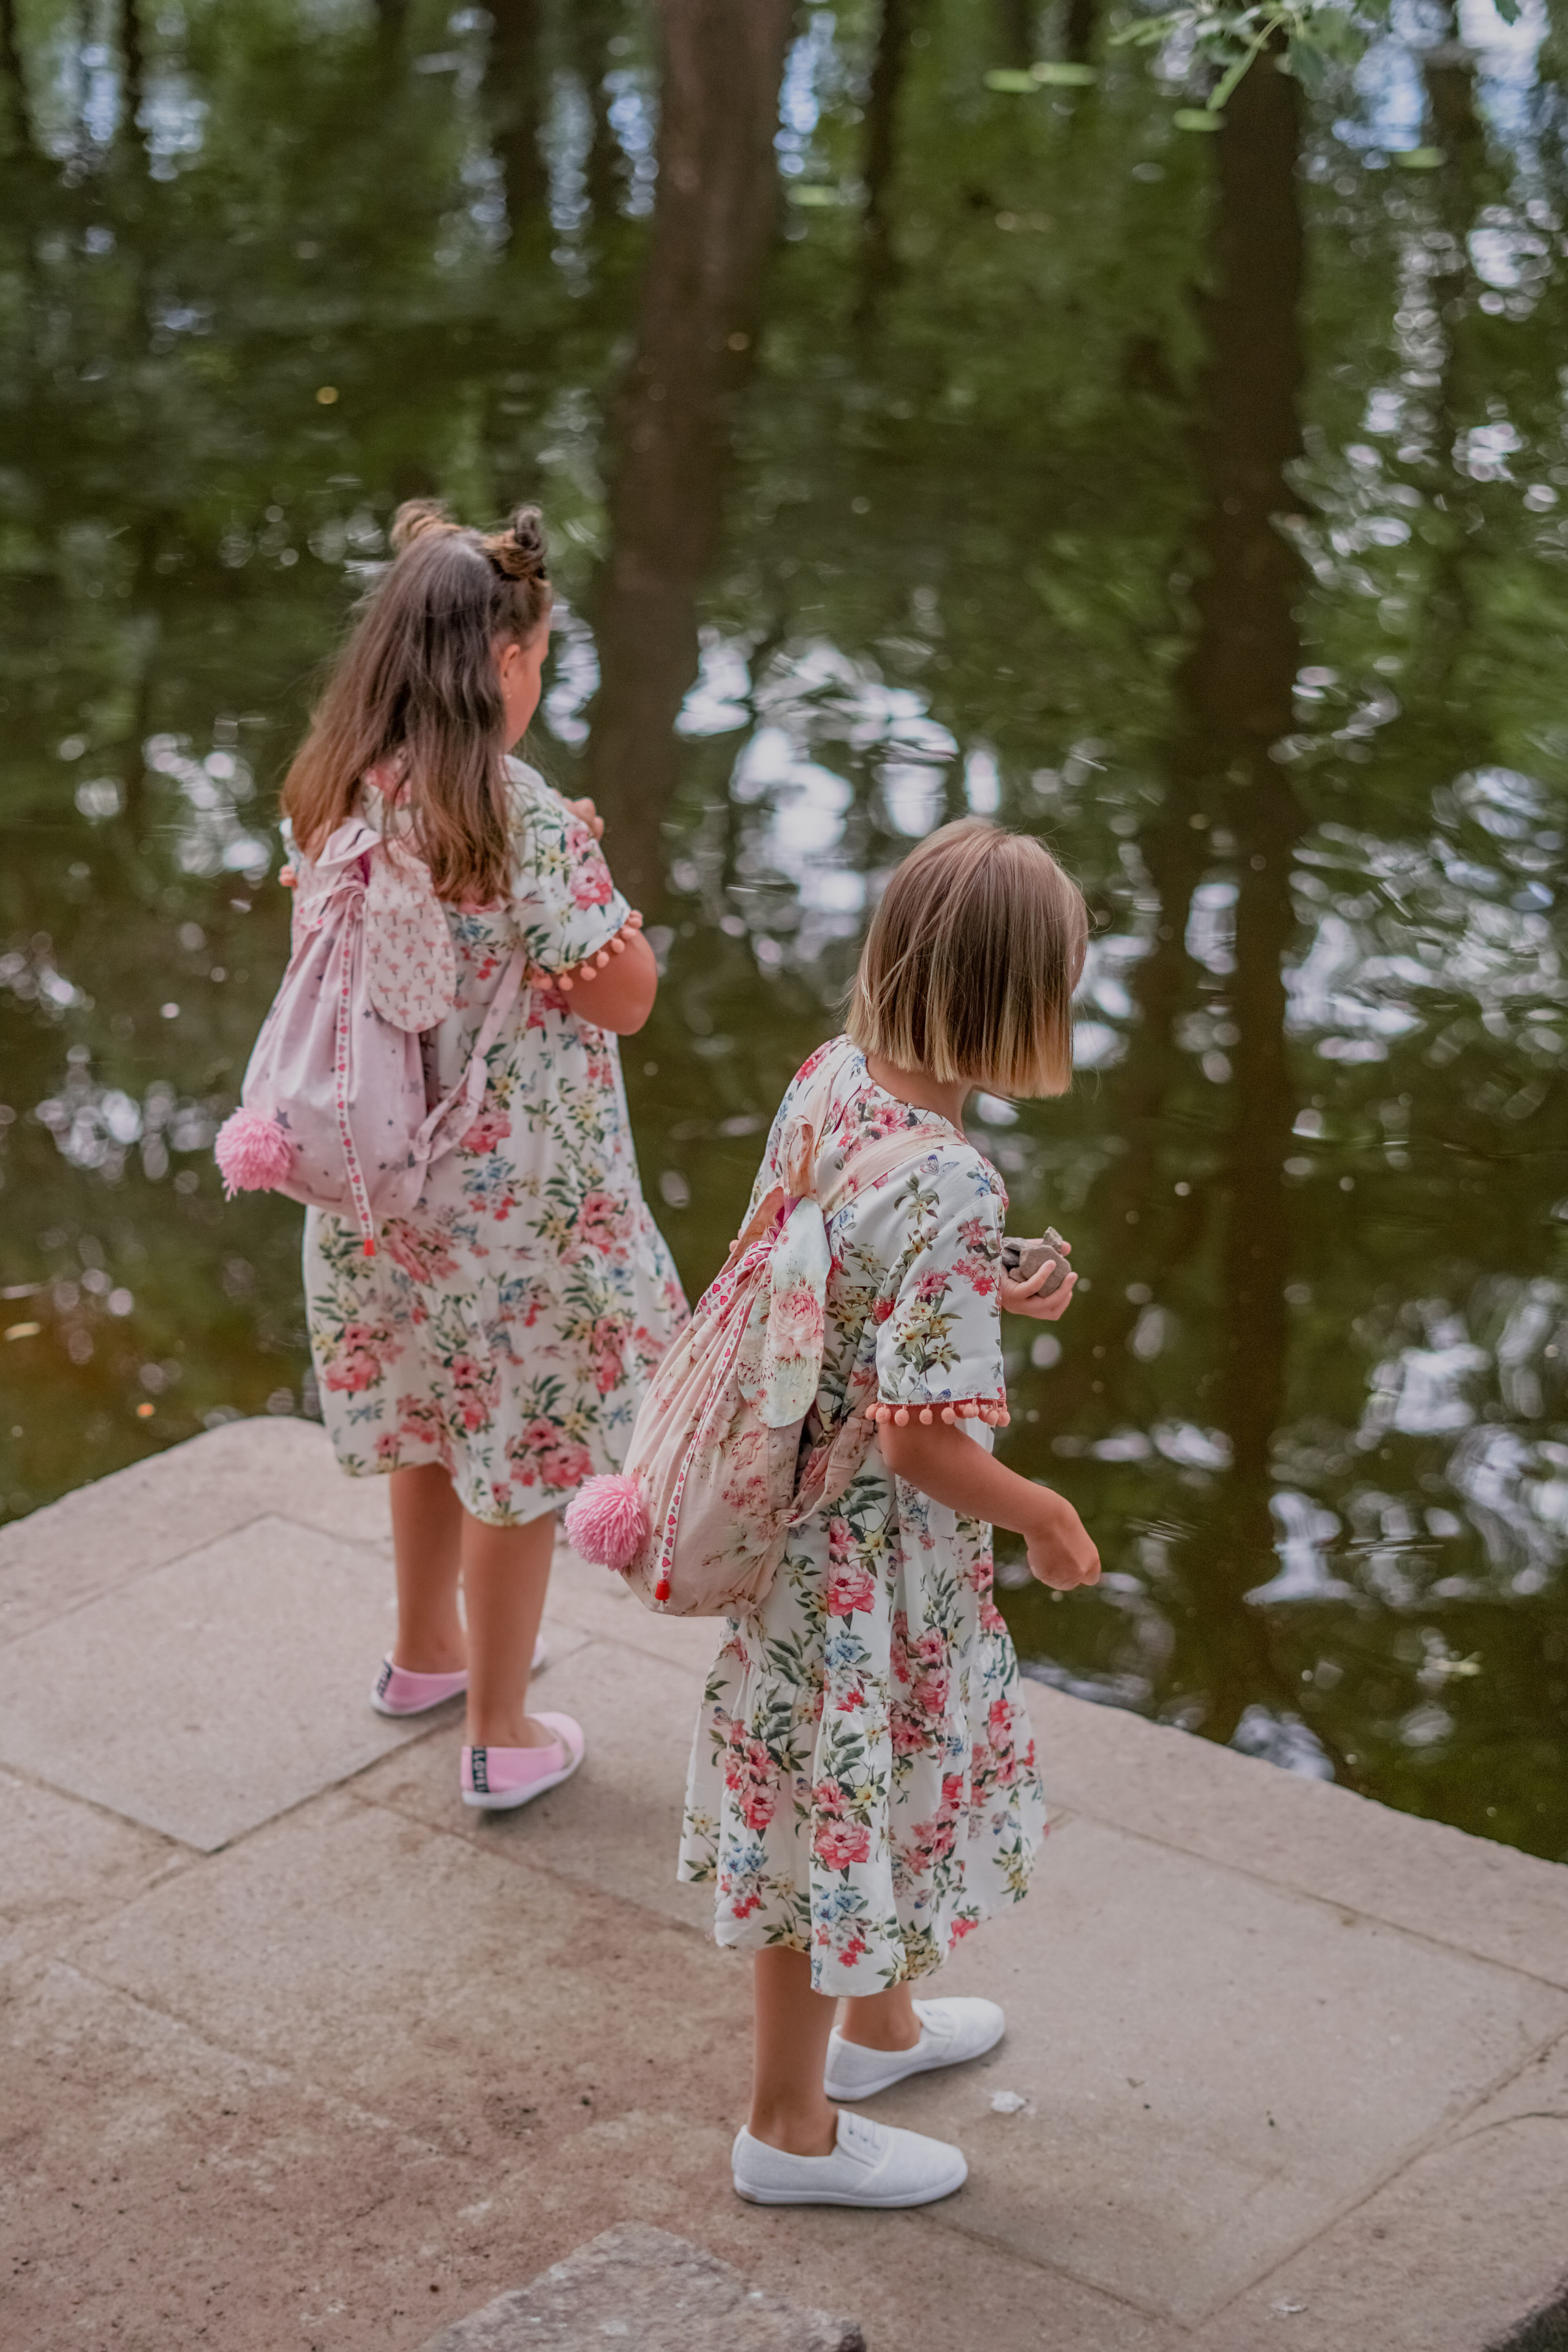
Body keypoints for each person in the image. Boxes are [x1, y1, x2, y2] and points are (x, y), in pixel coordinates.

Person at [679, 818, 1100, 2208]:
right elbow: (924, 1444)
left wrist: (996, 1277)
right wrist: (1038, 1510)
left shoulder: (835, 1079)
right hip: (863, 1562)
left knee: (866, 1795)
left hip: (803, 1530)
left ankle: (878, 2033)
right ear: (1008, 1003)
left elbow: (795, 1265)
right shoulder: (951, 1181)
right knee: (828, 1818)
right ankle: (785, 2130)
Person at [281, 500, 684, 1811]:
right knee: (514, 1457)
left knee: (426, 1420)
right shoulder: (524, 826)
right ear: (503, 666)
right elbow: (624, 994)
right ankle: (502, 1731)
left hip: (374, 1186)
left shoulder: (336, 789)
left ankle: (423, 1652)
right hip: (510, 1212)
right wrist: (587, 872)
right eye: (543, 659)